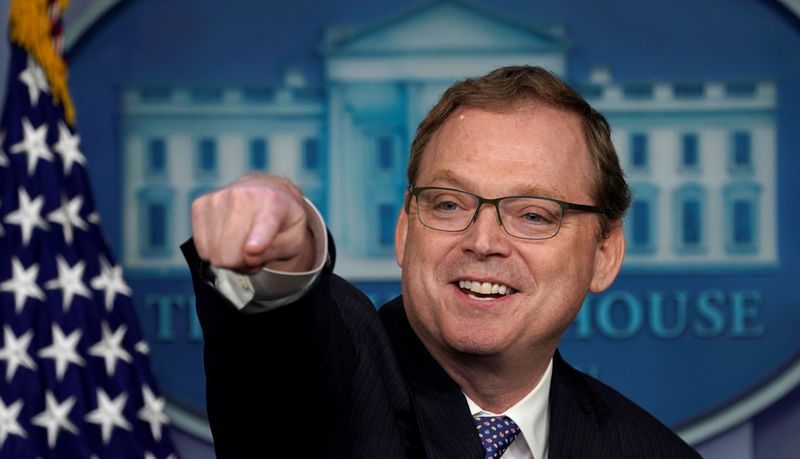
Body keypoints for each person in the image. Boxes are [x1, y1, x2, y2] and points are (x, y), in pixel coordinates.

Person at [183, 65, 700, 458]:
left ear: (604, 255)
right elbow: (283, 341)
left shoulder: (650, 450)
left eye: (535, 215)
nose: (483, 241)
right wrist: (272, 246)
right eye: (449, 204)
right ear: (405, 229)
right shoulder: (340, 377)